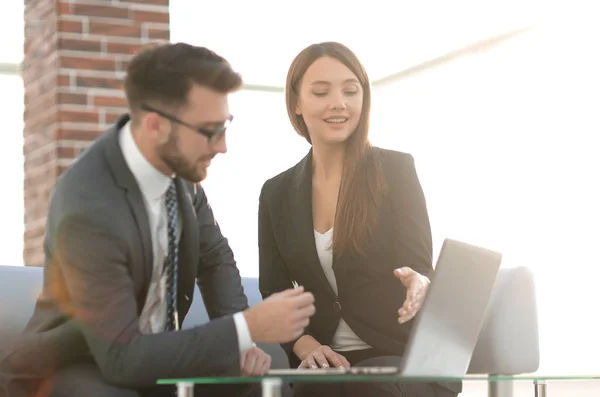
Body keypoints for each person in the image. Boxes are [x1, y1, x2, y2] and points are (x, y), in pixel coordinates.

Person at [0, 43, 315, 397]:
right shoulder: (88, 206)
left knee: (265, 370)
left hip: (153, 352)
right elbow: (121, 359)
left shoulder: (178, 173)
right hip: (79, 361)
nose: (223, 146)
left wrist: (243, 341)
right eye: (210, 131)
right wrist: (244, 327)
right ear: (155, 126)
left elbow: (214, 258)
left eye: (225, 126)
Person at [258, 42, 461, 397]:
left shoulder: (395, 171)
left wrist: (421, 283)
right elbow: (274, 290)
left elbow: (419, 266)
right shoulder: (276, 193)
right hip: (324, 363)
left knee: (371, 388)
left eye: (351, 91)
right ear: (296, 103)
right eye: (321, 92)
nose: (339, 102)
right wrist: (306, 347)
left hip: (398, 354)